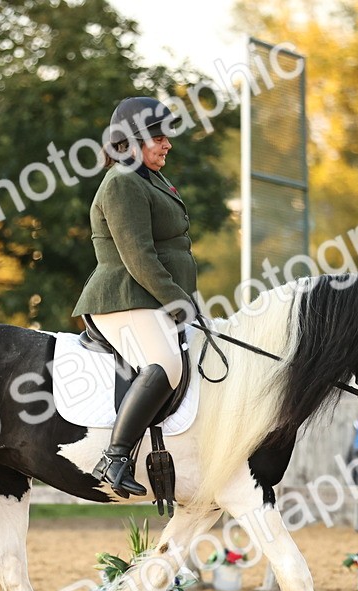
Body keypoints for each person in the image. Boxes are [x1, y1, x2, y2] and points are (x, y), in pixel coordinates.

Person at [72, 96, 199, 497]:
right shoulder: (123, 183)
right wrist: (178, 300)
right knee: (166, 364)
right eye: (159, 137)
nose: (167, 145)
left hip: (149, 298)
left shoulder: (150, 178)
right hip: (122, 296)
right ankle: (115, 457)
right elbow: (138, 257)